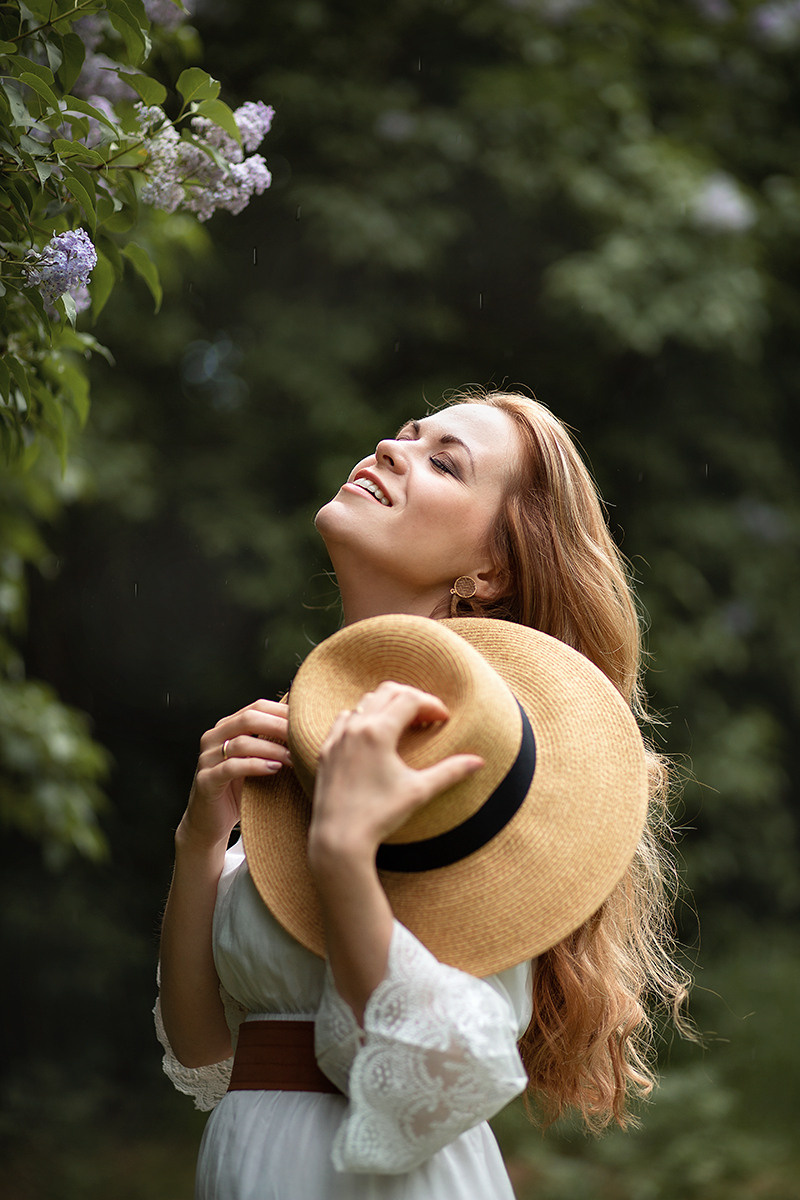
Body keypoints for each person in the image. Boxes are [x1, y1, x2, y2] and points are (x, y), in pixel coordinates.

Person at [156, 389, 691, 1199]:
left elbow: (445, 1070)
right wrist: (199, 841)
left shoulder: (475, 764)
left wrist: (343, 854)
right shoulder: (308, 740)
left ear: (489, 569)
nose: (391, 448)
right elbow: (204, 1049)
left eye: (444, 462)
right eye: (406, 434)